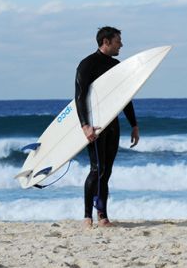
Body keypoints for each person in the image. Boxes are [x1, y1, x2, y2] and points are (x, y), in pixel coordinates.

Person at [75, 26, 140, 228]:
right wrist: (85, 125)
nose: (121, 44)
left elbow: (125, 98)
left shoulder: (116, 66)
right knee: (97, 169)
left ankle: (102, 215)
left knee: (107, 171)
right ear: (106, 41)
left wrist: (134, 124)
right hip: (95, 125)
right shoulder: (87, 64)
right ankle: (88, 216)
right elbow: (79, 97)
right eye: (118, 40)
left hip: (112, 124)